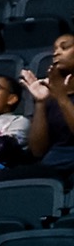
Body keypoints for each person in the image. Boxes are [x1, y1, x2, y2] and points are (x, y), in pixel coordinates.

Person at [23, 35, 74, 171]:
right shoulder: (50, 94)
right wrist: (40, 102)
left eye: (64, 47)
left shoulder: (59, 95)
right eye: (55, 49)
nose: (56, 53)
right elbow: (38, 151)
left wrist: (62, 98)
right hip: (52, 164)